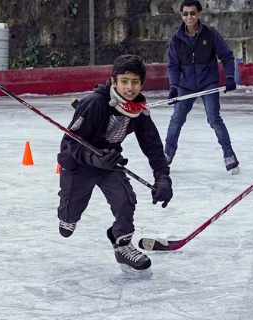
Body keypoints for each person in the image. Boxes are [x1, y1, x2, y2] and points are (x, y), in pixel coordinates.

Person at [57, 55, 173, 277]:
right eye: (124, 81)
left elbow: (153, 145)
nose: (130, 88)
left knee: (125, 201)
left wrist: (162, 178)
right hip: (78, 165)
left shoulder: (137, 110)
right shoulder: (94, 103)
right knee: (69, 219)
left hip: (110, 162)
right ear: (113, 81)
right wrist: (94, 159)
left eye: (136, 82)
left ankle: (122, 244)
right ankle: (67, 213)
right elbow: (71, 144)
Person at [165, 0, 239, 174]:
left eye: (192, 13)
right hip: (186, 86)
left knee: (214, 119)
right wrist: (174, 87)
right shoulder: (176, 39)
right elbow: (173, 66)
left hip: (208, 84)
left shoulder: (210, 34)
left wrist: (229, 77)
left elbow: (227, 56)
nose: (189, 17)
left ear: (199, 14)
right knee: (176, 120)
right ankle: (166, 155)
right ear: (181, 16)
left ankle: (229, 155)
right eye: (185, 14)